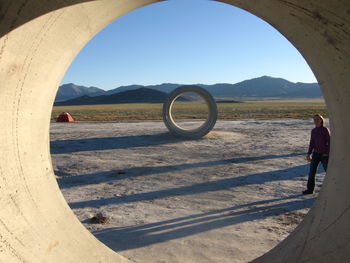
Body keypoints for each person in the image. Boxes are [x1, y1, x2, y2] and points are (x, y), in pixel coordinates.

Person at [303, 114, 330, 195]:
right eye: (314, 120)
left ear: (322, 120)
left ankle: (330, 188)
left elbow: (330, 142)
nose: (316, 121)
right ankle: (310, 190)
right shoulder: (313, 131)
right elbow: (312, 143)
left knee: (328, 172)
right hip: (316, 154)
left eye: (318, 119)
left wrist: (327, 153)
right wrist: (309, 153)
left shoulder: (325, 130)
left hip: (324, 155)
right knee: (312, 172)